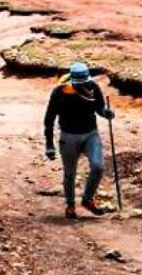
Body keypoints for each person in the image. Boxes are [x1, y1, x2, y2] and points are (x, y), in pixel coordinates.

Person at [44, 61, 115, 219]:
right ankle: (70, 205)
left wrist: (106, 113)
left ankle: (87, 199)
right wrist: (49, 144)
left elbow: (99, 108)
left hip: (91, 134)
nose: (82, 85)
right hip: (68, 136)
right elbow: (49, 119)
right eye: (79, 83)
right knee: (70, 173)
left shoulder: (93, 87)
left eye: (85, 82)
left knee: (98, 166)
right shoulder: (60, 92)